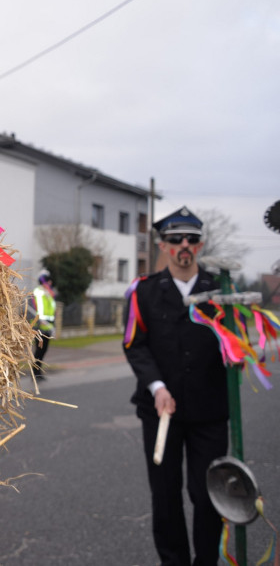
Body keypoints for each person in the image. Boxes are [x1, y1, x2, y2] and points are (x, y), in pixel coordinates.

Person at [123, 206, 227, 566]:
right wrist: (157, 387)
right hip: (160, 410)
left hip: (210, 410)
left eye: (192, 239)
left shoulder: (220, 290)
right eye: (175, 239)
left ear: (199, 245)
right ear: (163, 245)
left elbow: (237, 342)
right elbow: (134, 345)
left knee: (208, 493)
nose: (184, 244)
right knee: (165, 496)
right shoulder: (144, 292)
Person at [29, 271, 56, 380]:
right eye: (49, 281)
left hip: (48, 325)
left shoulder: (48, 292)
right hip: (40, 325)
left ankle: (38, 371)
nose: (50, 283)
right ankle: (35, 372)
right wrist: (42, 320)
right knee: (39, 350)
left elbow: (51, 308)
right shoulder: (39, 292)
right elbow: (38, 308)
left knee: (44, 350)